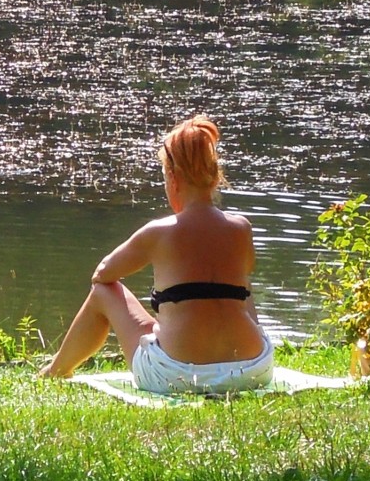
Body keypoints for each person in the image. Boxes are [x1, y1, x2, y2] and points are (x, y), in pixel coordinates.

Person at [39, 115, 274, 394]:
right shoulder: (241, 228)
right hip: (252, 371)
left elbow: (103, 274)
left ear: (173, 178)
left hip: (176, 376)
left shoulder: (159, 232)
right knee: (240, 285)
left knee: (103, 291)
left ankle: (55, 371)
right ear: (214, 177)